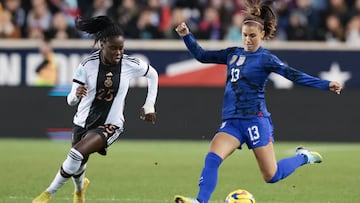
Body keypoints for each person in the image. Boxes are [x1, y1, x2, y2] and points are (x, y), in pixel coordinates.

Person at [173, 1, 342, 203]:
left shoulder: (266, 58)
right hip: (232, 121)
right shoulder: (233, 54)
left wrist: (325, 84)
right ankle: (201, 201)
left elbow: (293, 75)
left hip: (255, 120)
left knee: (271, 176)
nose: (248, 40)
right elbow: (201, 56)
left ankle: (304, 157)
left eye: (252, 36)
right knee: (212, 158)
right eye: (245, 35)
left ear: (262, 35)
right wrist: (186, 36)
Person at [33, 15, 158, 203]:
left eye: (121, 48)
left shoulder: (129, 64)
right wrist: (76, 94)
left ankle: (47, 194)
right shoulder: (87, 65)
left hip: (111, 124)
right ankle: (79, 191)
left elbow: (153, 75)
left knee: (76, 153)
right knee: (78, 163)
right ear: (102, 45)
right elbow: (70, 100)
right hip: (83, 121)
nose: (118, 53)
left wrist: (149, 104)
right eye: (113, 48)